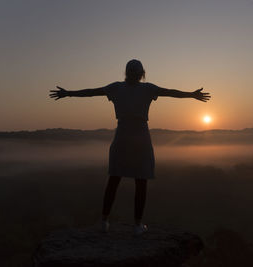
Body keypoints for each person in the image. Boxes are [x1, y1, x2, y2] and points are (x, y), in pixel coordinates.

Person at [49, 59, 210, 235]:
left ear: (126, 73)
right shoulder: (147, 89)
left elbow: (91, 92)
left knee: (114, 178)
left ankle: (104, 221)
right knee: (141, 180)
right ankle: (137, 224)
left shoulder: (116, 88)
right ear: (142, 74)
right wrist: (192, 95)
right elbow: (171, 92)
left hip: (122, 134)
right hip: (141, 134)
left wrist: (68, 93)